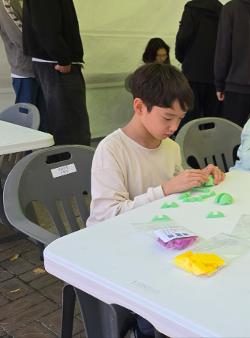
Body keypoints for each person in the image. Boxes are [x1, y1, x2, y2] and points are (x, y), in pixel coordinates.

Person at [87, 63, 225, 226]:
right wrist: (164, 190)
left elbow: (175, 186)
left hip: (157, 229)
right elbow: (107, 216)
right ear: (139, 107)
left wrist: (199, 177)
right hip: (116, 237)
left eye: (180, 118)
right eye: (167, 118)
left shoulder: (170, 146)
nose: (174, 127)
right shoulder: (111, 150)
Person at [22, 0, 91, 145]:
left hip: (53, 62)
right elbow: (45, 26)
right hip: (56, 64)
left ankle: (69, 163)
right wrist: (63, 58)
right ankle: (74, 165)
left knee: (63, 121)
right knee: (71, 125)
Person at [175, 0, 223, 132]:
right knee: (213, 121)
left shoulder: (192, 7)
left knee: (189, 119)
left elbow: (183, 36)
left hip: (192, 72)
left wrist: (182, 57)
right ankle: (211, 150)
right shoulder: (222, 10)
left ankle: (189, 151)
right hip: (216, 74)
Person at [0, 0, 43, 110]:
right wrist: (47, 51)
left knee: (43, 120)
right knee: (26, 119)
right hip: (25, 69)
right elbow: (19, 38)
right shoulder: (5, 3)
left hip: (38, 67)